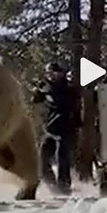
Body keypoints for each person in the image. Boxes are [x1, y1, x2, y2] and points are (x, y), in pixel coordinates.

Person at [32, 61, 76, 194]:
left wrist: (50, 92)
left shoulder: (67, 86)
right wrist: (38, 90)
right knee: (42, 159)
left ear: (61, 73)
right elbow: (35, 100)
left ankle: (64, 187)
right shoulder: (47, 86)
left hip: (66, 126)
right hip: (50, 128)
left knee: (62, 157)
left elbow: (65, 103)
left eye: (54, 73)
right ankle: (52, 185)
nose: (51, 76)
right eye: (48, 73)